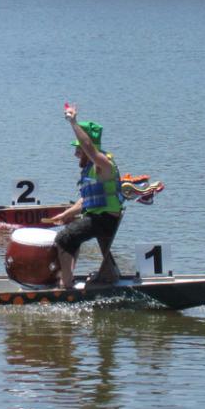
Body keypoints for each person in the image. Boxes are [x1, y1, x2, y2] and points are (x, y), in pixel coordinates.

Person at [47, 107, 124, 289]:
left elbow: (90, 147)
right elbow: (86, 200)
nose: (76, 154)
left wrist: (73, 122)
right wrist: (65, 214)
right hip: (98, 217)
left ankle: (66, 284)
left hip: (105, 220)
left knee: (63, 239)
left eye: (78, 150)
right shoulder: (90, 168)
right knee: (72, 231)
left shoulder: (103, 164)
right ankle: (77, 275)